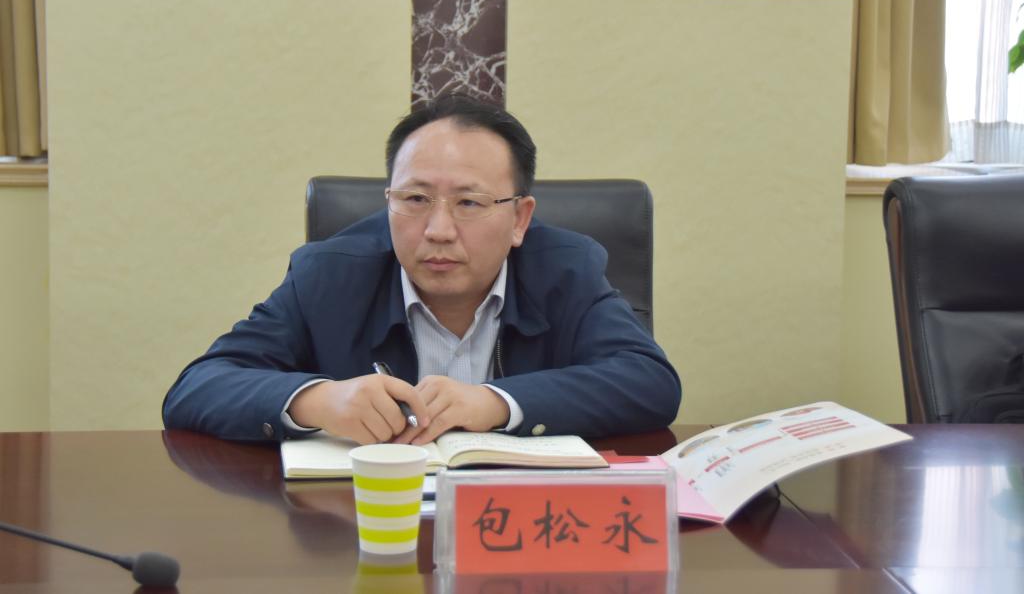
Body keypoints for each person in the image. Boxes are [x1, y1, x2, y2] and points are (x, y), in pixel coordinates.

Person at [162, 95, 682, 443]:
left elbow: (649, 382)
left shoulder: (566, 269)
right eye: (414, 199)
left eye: (469, 203)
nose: (438, 230)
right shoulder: (328, 275)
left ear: (520, 219)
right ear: (388, 200)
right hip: (361, 526)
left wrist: (495, 403)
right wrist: (319, 400)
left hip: (517, 531)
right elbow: (198, 387)